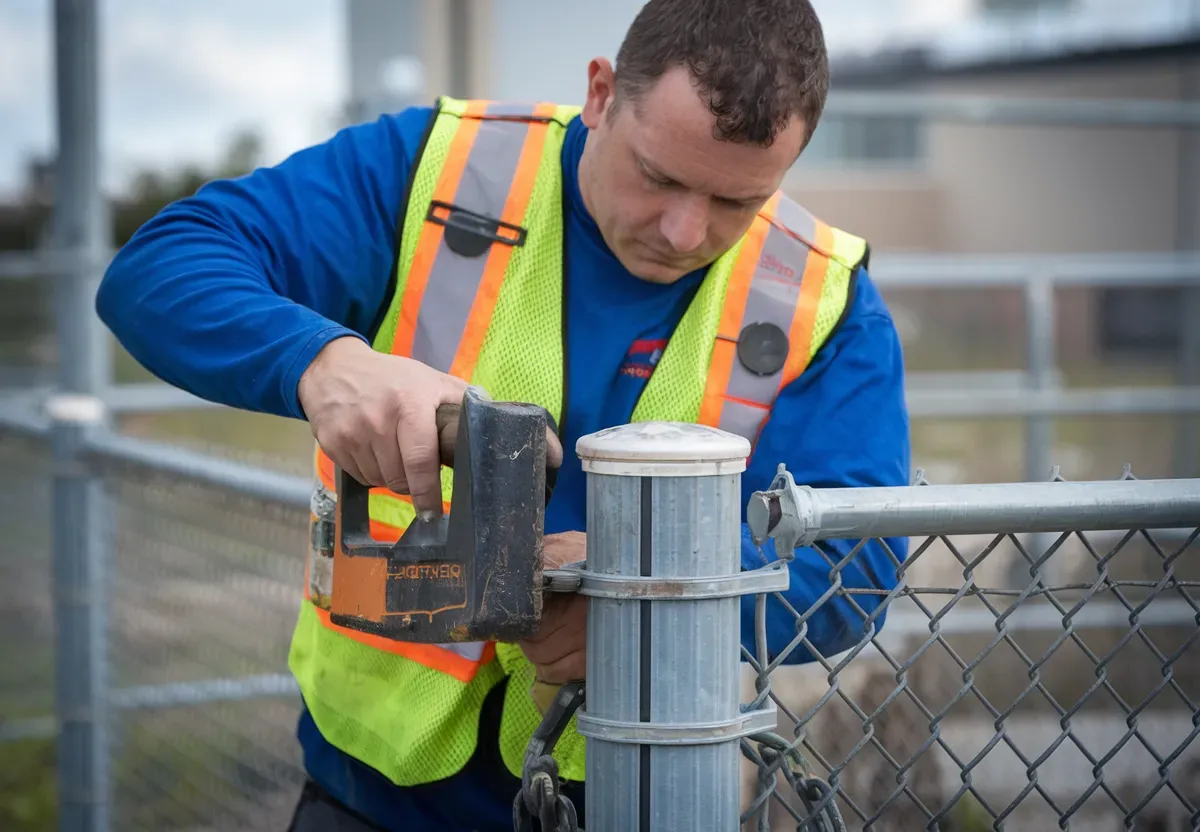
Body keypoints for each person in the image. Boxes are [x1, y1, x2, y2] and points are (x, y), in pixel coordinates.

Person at [95, 0, 911, 829]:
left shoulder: (824, 300)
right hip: (371, 795)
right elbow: (160, 268)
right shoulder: (439, 170)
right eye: (659, 176)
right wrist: (324, 364)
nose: (684, 230)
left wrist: (666, 607)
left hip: (635, 802)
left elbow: (856, 564)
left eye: (739, 202)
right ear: (600, 93)